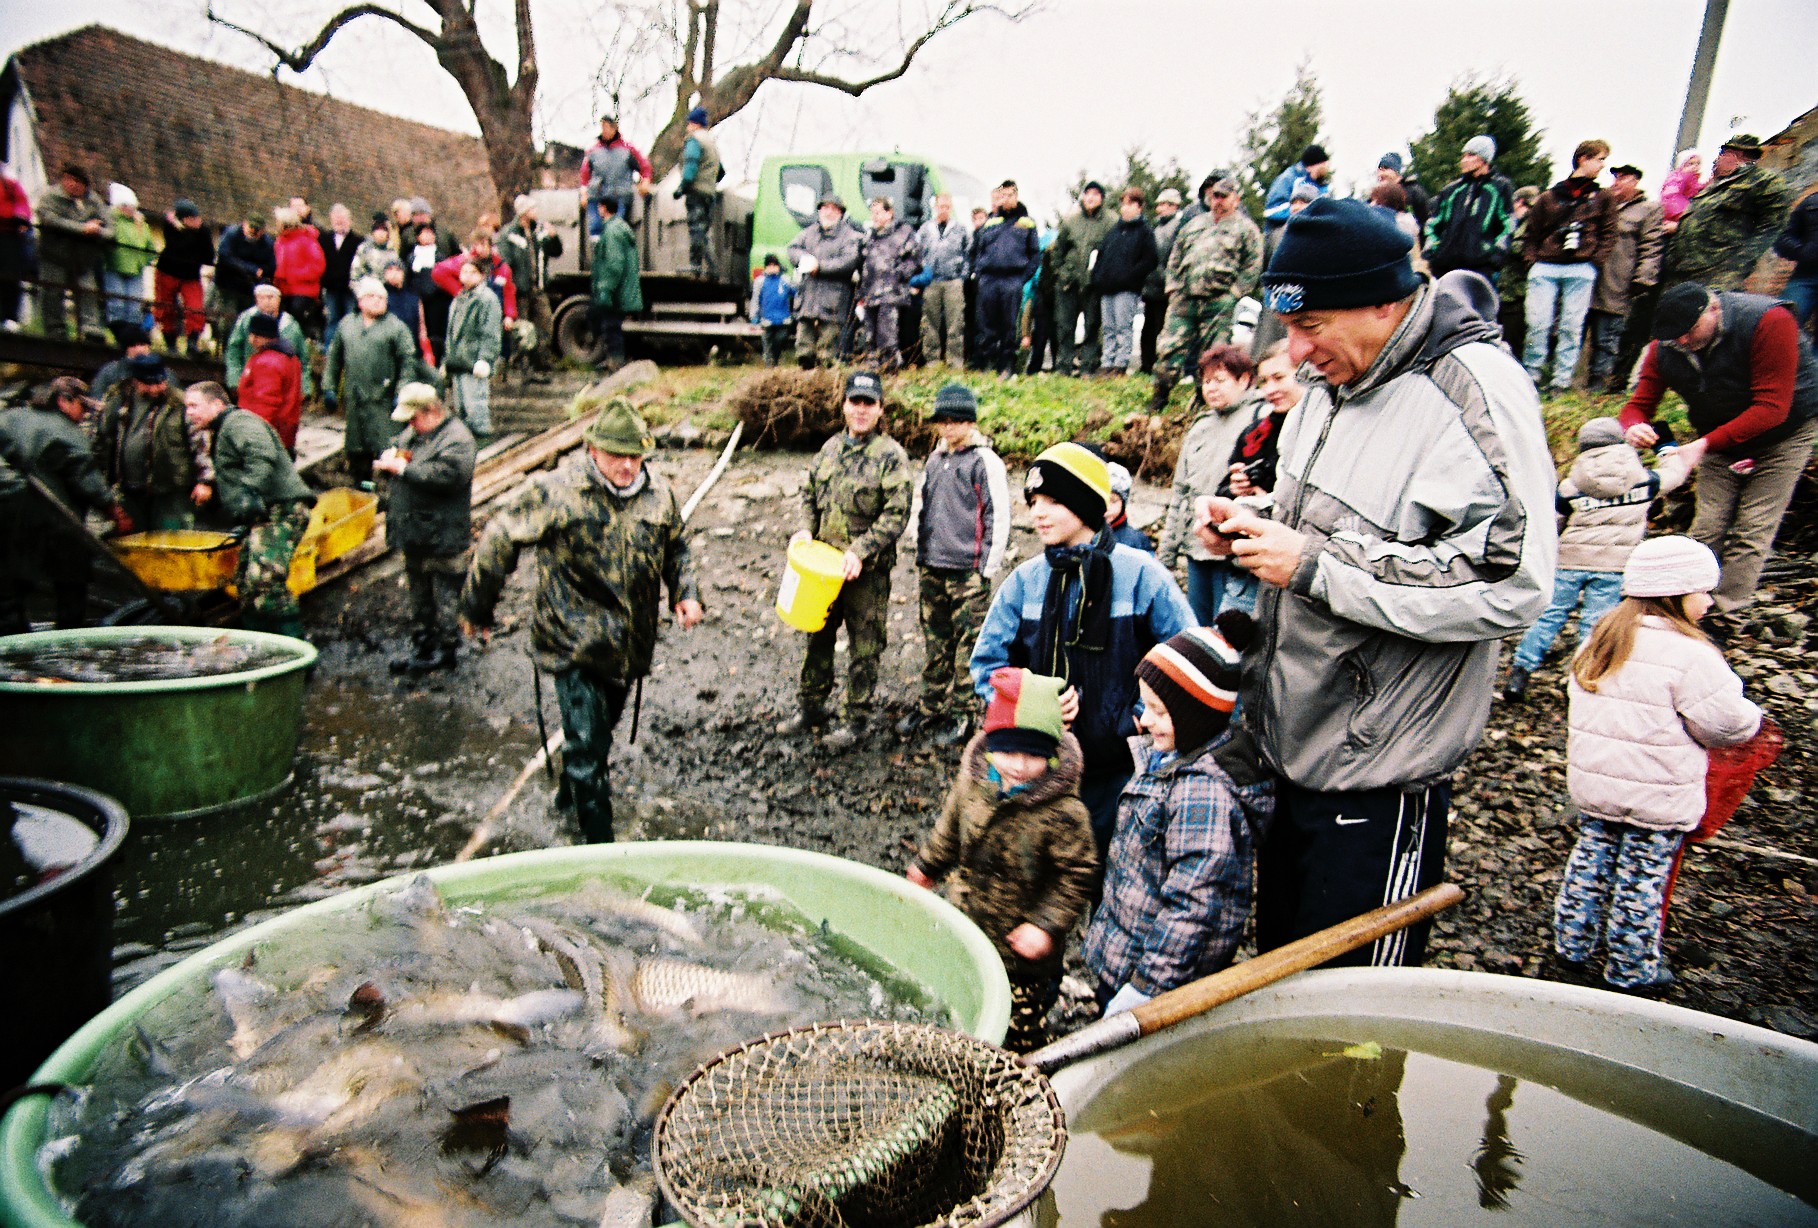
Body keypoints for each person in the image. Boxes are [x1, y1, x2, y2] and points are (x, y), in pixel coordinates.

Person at [1199, 197, 1557, 967]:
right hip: (1292, 741)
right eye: (1286, 329)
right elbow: (1327, 526)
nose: (1293, 353)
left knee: (1356, 1016)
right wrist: (1251, 523)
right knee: (1283, 978)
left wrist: (1318, 569)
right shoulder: (1333, 381)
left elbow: (1513, 580)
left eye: (1311, 327)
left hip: (1379, 768)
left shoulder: (1473, 392)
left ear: (1383, 302)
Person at [462, 398, 703, 843]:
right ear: (593, 451)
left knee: (596, 737)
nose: (628, 466)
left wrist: (685, 593)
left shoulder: (660, 495)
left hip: (627, 648)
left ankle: (567, 800)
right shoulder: (557, 491)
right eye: (617, 456)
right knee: (590, 750)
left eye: (636, 456)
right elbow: (500, 536)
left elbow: (677, 548)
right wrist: (477, 608)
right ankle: (598, 854)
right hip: (571, 641)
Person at [1554, 536, 1761, 991]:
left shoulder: (1601, 637)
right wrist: (1754, 718)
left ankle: (1572, 944)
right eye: (1703, 591)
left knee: (1590, 861)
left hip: (1598, 788)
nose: (1708, 601)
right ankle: (1630, 969)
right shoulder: (1692, 656)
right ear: (1676, 594)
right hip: (1657, 794)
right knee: (1641, 881)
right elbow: (1725, 726)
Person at [972, 442, 1195, 855]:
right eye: (1033, 500)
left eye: (1054, 500)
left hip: (1123, 769)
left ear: (1088, 504)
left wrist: (1146, 715)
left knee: (1112, 869)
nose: (1037, 512)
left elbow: (1185, 655)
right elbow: (986, 664)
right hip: (1040, 766)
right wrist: (1031, 702)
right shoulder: (1024, 582)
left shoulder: (1142, 574)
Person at [1084, 619, 1274, 1015]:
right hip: (1127, 949)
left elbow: (1193, 903)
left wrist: (1146, 989)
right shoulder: (1166, 756)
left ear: (1195, 717)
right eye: (1145, 705)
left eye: (1158, 710)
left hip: (1156, 981)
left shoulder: (1201, 792)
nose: (1145, 719)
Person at [907, 667, 1096, 1051]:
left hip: (1021, 953)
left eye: (1034, 755)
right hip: (967, 917)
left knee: (1018, 1029)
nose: (1019, 765)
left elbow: (1077, 873)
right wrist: (927, 868)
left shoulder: (1064, 811)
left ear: (1053, 754)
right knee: (960, 998)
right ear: (991, 744)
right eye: (1009, 751)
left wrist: (1044, 926)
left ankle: (1020, 1073)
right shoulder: (974, 779)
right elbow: (950, 827)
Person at [1616, 282, 1818, 617]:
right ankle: (1681, 604)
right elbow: (1638, 405)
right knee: (1708, 525)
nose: (1683, 342)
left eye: (1690, 331)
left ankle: (1726, 610)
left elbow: (1772, 407)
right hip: (1717, 436)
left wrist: (1703, 445)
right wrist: (1634, 426)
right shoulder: (1664, 348)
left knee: (1753, 527)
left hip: (1785, 432)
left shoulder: (1770, 321)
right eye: (1674, 336)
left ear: (1713, 309)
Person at [1504, 417, 1699, 702]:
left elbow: (1552, 524)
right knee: (1595, 623)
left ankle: (1520, 672)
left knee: (1549, 616)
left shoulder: (1570, 487)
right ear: (1620, 442)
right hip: (1614, 566)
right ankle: (1583, 680)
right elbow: (1676, 473)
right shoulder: (1644, 481)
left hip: (1569, 562)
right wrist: (1666, 445)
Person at [777, 371, 911, 751]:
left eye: (869, 403)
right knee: (817, 636)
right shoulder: (830, 448)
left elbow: (896, 515)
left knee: (865, 647)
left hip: (864, 574)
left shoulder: (891, 457)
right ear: (844, 406)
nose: (861, 410)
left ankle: (857, 719)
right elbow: (808, 495)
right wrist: (805, 529)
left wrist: (860, 551)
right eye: (855, 402)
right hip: (821, 571)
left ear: (880, 409)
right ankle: (812, 706)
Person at [899, 383, 1011, 747]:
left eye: (956, 420)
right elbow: (923, 503)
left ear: (970, 421)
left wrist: (987, 567)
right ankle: (931, 704)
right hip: (932, 564)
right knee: (936, 641)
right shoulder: (934, 459)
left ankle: (963, 714)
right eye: (943, 421)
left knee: (969, 646)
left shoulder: (985, 461)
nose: (949, 428)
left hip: (968, 570)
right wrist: (918, 546)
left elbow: (999, 514)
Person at [186, 381, 316, 638]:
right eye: (186, 407)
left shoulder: (239, 423)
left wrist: (248, 493)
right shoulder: (221, 429)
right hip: (261, 515)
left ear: (217, 404)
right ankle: (260, 648)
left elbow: (261, 454)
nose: (188, 413)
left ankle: (297, 651)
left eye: (194, 406)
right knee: (246, 584)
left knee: (265, 582)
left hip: (282, 510)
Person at [0, 377, 131, 630]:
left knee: (9, 583)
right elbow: (88, 479)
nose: (84, 416)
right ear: (64, 401)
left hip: (9, 516)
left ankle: (12, 632)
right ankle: (69, 631)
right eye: (83, 407)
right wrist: (116, 511)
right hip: (50, 519)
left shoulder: (11, 417)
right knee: (72, 578)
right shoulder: (67, 434)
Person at [374, 382, 476, 674]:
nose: (410, 425)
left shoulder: (458, 439)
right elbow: (401, 447)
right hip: (415, 532)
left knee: (445, 594)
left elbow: (450, 476)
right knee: (419, 593)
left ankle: (446, 650)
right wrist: (390, 458)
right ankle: (423, 643)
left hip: (442, 534)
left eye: (413, 418)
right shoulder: (415, 433)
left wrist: (404, 469)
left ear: (431, 411)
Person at [1159, 344, 1263, 622]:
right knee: (1196, 628)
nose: (1211, 388)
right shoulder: (1200, 426)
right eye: (1206, 381)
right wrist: (1166, 553)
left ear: (1244, 380)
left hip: (1233, 553)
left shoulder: (1260, 418)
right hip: (1197, 549)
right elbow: (1181, 491)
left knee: (1226, 632)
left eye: (1220, 380)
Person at [1149, 178, 1263, 413]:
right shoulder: (1194, 224)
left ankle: (1205, 405)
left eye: (1224, 196)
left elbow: (1252, 266)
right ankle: (1157, 400)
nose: (1218, 201)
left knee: (1213, 357)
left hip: (1219, 302)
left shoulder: (1246, 229)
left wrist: (1234, 293)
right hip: (1185, 300)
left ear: (1235, 199)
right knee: (1169, 350)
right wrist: (1173, 286)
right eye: (1215, 196)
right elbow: (1175, 256)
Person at [1521, 139, 1617, 393]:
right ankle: (1531, 377)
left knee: (1571, 327)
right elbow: (1531, 233)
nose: (1602, 165)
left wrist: (1594, 261)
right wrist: (1533, 258)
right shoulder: (1549, 197)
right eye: (1599, 159)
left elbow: (1609, 233)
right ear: (1583, 159)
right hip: (1546, 266)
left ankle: (1560, 382)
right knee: (1537, 324)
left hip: (1581, 267)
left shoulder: (1603, 197)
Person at [1661, 134, 1794, 292]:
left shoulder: (1763, 181)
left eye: (1721, 154)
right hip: (1682, 270)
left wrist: (1738, 264)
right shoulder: (1714, 185)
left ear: (1735, 154)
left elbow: (1773, 226)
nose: (1716, 160)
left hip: (1717, 273)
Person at [97, 354, 210, 531]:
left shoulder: (179, 404)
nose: (157, 388)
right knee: (130, 541)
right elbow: (104, 437)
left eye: (161, 382)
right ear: (136, 381)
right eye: (149, 384)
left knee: (171, 540)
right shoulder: (118, 398)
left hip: (169, 490)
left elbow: (201, 443)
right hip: (129, 489)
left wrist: (206, 480)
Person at [327, 278, 422, 487]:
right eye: (372, 296)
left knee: (389, 446)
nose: (378, 301)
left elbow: (408, 360)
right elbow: (334, 358)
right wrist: (330, 387)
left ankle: (395, 489)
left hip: (384, 399)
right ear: (360, 301)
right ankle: (363, 487)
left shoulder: (396, 327)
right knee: (357, 448)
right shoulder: (347, 325)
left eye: (382, 297)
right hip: (356, 398)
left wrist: (402, 390)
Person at [1587, 165, 1666, 393]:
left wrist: (1643, 279)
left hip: (1617, 283)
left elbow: (1652, 246)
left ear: (1636, 181)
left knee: (1606, 339)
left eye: (1623, 177)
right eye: (1615, 177)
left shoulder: (1648, 209)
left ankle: (1598, 389)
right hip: (1587, 280)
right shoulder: (1602, 204)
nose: (1617, 182)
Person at [970, 182, 1041, 377]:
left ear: (1016, 196)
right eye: (1003, 195)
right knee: (987, 324)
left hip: (1012, 279)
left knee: (1009, 326)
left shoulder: (1027, 222)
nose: (1006, 199)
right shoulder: (991, 222)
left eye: (1010, 195)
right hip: (989, 280)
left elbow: (1035, 255)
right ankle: (988, 364)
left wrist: (1022, 279)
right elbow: (977, 250)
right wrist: (980, 274)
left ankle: (1006, 366)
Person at [35, 165, 113, 341]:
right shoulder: (50, 197)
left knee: (88, 293)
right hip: (54, 255)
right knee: (53, 293)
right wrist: (83, 227)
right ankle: (55, 332)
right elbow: (50, 220)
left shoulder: (93, 201)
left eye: (78, 182)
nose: (73, 185)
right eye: (69, 180)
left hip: (83, 260)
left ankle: (91, 330)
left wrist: (97, 231)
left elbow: (110, 229)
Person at [1423, 135, 1516, 283]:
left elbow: (1508, 223)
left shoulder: (1499, 188)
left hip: (1481, 266)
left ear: (1484, 159)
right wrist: (1432, 249)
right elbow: (1433, 223)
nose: (1464, 160)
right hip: (1445, 265)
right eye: (1464, 156)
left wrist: (1496, 254)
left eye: (1471, 155)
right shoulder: (1451, 190)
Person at [786, 195, 863, 369]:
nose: (829, 212)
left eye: (834, 209)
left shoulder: (849, 236)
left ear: (841, 213)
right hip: (808, 302)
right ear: (819, 210)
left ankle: (824, 385)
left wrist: (819, 266)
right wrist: (803, 259)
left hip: (833, 305)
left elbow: (849, 261)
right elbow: (792, 249)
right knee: (804, 351)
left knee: (827, 354)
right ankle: (805, 380)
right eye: (825, 208)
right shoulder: (809, 232)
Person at [1048, 182, 1116, 377]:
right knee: (1064, 326)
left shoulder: (1111, 222)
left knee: (1092, 326)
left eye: (1096, 194)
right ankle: (1063, 366)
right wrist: (1061, 272)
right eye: (1088, 194)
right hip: (1069, 283)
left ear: (1102, 198)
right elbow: (1058, 250)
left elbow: (1113, 253)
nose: (1091, 198)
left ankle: (1088, 366)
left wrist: (1103, 277)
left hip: (1094, 285)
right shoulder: (1071, 221)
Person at [1092, 187, 1160, 377]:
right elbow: (1100, 256)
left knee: (1123, 328)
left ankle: (1120, 365)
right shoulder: (1113, 231)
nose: (1125, 208)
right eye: (1123, 204)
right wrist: (1098, 277)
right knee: (1108, 329)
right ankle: (1107, 362)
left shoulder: (1145, 232)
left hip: (1127, 290)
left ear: (1139, 207)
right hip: (1107, 288)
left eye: (1130, 204)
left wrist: (1131, 276)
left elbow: (1150, 259)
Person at [856, 197, 921, 371]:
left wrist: (898, 274)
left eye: (878, 212)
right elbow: (863, 262)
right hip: (870, 294)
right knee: (870, 337)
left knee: (887, 336)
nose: (875, 216)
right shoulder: (869, 236)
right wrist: (860, 293)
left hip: (891, 295)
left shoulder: (904, 232)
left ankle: (891, 369)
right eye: (873, 213)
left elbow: (914, 260)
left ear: (889, 212)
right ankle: (872, 370)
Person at [498, 195, 562, 369]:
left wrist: (554, 237)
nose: (536, 212)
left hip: (538, 288)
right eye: (532, 209)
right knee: (523, 329)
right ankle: (519, 365)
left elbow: (556, 251)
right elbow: (505, 264)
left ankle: (541, 363)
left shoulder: (537, 232)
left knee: (545, 324)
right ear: (524, 212)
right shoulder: (509, 234)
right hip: (519, 291)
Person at [443, 258, 502, 439]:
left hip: (475, 362)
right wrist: (447, 360)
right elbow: (451, 332)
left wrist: (485, 359)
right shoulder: (459, 299)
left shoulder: (487, 299)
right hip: (458, 362)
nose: (467, 276)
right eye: (464, 272)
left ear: (482, 275)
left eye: (472, 272)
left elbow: (491, 332)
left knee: (476, 409)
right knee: (460, 409)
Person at [224, 285, 313, 400]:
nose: (266, 301)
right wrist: (234, 379)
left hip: (282, 386)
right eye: (261, 298)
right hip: (250, 382)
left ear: (279, 300)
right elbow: (233, 350)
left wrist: (304, 388)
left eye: (270, 297)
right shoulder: (246, 319)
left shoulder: (290, 324)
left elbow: (302, 359)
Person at [912, 193, 969, 369]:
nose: (943, 210)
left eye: (946, 206)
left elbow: (968, 254)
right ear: (934, 207)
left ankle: (955, 361)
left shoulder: (960, 229)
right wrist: (922, 275)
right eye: (940, 206)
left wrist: (962, 276)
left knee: (955, 323)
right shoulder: (925, 229)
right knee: (930, 323)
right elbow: (916, 254)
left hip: (953, 282)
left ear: (950, 208)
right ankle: (932, 361)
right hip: (931, 283)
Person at [589, 196, 643, 373]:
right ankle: (612, 362)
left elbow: (614, 264)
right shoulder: (619, 227)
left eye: (599, 206)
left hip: (614, 292)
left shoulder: (612, 231)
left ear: (603, 208)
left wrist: (605, 289)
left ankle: (615, 367)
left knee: (611, 328)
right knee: (612, 327)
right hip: (620, 289)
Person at [236, 313, 304, 454]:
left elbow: (266, 404)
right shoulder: (289, 357)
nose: (250, 339)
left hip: (266, 434)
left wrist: (253, 437)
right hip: (284, 432)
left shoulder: (267, 362)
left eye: (255, 335)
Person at [152, 199, 213, 355]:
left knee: (195, 308)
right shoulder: (170, 227)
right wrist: (188, 234)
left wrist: (192, 234)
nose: (197, 221)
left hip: (191, 275)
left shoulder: (203, 231)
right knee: (165, 307)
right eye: (192, 218)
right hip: (168, 272)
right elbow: (176, 248)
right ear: (184, 220)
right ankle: (170, 343)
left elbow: (209, 256)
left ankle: (192, 343)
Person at [580, 115, 653, 235]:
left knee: (616, 230)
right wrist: (584, 192)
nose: (605, 130)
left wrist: (645, 181)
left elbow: (644, 166)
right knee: (595, 229)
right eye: (603, 126)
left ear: (615, 128)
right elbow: (584, 174)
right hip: (597, 196)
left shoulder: (627, 150)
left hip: (619, 196)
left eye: (608, 126)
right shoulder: (592, 151)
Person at [1141, 187, 1186, 374]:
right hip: (1151, 285)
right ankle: (1146, 364)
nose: (1159, 208)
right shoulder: (1156, 227)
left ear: (1174, 206)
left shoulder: (1179, 227)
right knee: (1148, 329)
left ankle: (1164, 366)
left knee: (1165, 329)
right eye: (1159, 204)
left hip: (1168, 286)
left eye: (1164, 204)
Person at [673, 107, 722, 274]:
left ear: (694, 124)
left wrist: (681, 188)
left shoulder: (694, 141)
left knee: (695, 229)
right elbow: (721, 172)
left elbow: (690, 168)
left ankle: (695, 265)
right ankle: (713, 267)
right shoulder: (711, 142)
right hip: (709, 193)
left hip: (696, 193)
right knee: (704, 231)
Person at [103, 184, 156, 340]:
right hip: (115, 267)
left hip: (135, 270)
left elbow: (149, 247)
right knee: (117, 303)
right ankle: (119, 335)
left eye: (132, 206)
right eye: (126, 205)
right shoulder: (112, 220)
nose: (130, 209)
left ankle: (131, 338)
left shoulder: (141, 224)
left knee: (134, 306)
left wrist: (142, 261)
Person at [212, 216, 275, 338]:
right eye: (251, 228)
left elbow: (271, 265)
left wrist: (261, 272)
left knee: (246, 322)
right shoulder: (232, 235)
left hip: (249, 288)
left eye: (257, 230)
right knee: (227, 321)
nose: (253, 232)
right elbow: (225, 256)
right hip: (227, 285)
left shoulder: (266, 243)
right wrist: (252, 269)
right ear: (244, 225)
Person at [1499, 185, 1541, 358]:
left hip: (1517, 290)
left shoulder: (1529, 223)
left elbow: (1519, 249)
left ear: (1519, 202)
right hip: (1510, 288)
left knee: (1512, 338)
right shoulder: (1520, 223)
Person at [1771, 190, 1818, 333]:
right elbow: (1782, 238)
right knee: (1782, 320)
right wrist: (1802, 251)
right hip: (1807, 276)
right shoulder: (1811, 202)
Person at [1263, 145, 1333, 232]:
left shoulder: (1323, 188)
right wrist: (1300, 209)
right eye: (1323, 165)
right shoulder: (1289, 178)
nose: (1326, 168)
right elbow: (1270, 211)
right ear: (1312, 166)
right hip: (1279, 230)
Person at [319, 203, 361, 340]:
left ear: (349, 221)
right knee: (332, 319)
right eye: (336, 219)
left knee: (350, 320)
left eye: (342, 219)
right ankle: (329, 349)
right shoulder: (323, 239)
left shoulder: (358, 241)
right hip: (330, 288)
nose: (339, 222)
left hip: (349, 289)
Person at [749, 253, 796, 368]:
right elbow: (755, 299)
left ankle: (774, 360)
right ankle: (769, 367)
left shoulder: (785, 280)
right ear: (765, 267)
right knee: (767, 345)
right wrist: (754, 316)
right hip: (767, 319)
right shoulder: (760, 281)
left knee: (779, 341)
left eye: (775, 265)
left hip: (783, 319)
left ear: (779, 266)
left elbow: (795, 293)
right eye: (769, 266)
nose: (772, 268)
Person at [90, 324, 154, 408]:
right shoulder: (109, 372)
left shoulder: (163, 374)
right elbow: (96, 399)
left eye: (142, 344)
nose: (139, 349)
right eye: (133, 345)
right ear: (126, 349)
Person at [381, 261, 429, 359]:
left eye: (398, 270)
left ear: (404, 274)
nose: (394, 274)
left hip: (412, 351)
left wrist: (427, 351)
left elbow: (422, 327)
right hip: (387, 352)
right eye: (390, 270)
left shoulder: (414, 297)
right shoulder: (380, 297)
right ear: (384, 274)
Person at [0, 171, 29, 329]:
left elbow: (21, 203)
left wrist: (22, 217)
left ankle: (9, 317)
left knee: (10, 276)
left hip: (8, 235)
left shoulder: (8, 183)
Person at [1103, 462, 1151, 552]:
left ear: (1123, 504)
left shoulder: (1137, 542)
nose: (1106, 508)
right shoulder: (1081, 534)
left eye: (1113, 501)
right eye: (1102, 499)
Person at [1377, 152, 1432, 231]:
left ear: (1396, 171)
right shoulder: (1377, 198)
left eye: (1385, 168)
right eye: (1379, 170)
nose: (1381, 174)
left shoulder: (1413, 191)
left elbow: (1426, 219)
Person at [1660, 150, 1704, 230]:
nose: (1695, 166)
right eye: (1690, 164)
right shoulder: (1674, 180)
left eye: (1698, 163)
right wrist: (1686, 216)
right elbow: (1671, 201)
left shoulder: (1695, 183)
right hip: (1673, 222)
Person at [351, 215, 400, 286]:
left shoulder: (392, 252)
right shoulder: (364, 249)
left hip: (387, 289)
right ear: (373, 232)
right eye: (378, 229)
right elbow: (355, 272)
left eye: (384, 230)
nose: (381, 233)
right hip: (367, 288)